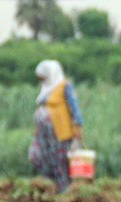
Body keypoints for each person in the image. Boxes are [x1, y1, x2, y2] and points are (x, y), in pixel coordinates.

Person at [28, 60, 83, 193]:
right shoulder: (46, 88)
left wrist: (78, 127)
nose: (42, 80)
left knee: (60, 160)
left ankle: (63, 190)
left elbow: (74, 107)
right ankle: (49, 183)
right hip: (43, 132)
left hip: (59, 130)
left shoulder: (64, 86)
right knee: (37, 156)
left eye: (44, 77)